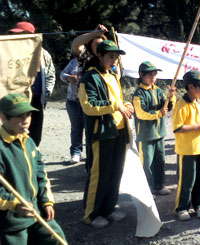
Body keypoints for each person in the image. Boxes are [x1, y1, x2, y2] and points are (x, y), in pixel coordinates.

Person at [78, 40, 134, 228]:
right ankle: (91, 214)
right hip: (101, 133)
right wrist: (115, 106)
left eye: (116, 57)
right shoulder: (88, 78)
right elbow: (89, 106)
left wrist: (124, 104)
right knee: (98, 175)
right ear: (99, 56)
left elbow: (117, 100)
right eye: (110, 56)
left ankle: (109, 208)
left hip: (118, 131)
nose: (114, 60)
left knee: (115, 172)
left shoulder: (113, 76)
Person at [0, 93, 65, 244]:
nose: (26, 121)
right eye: (19, 117)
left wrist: (46, 202)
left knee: (57, 239)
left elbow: (41, 173)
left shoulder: (28, 141)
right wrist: (15, 204)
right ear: (3, 117)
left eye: (28, 115)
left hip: (37, 212)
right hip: (13, 221)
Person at [172, 70, 200, 221]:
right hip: (187, 149)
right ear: (191, 87)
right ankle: (182, 207)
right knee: (187, 180)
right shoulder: (181, 104)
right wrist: (196, 126)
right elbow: (177, 128)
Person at [132, 61, 176, 196]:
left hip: (160, 134)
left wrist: (171, 96)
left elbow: (168, 106)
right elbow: (140, 113)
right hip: (146, 136)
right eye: (150, 74)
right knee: (146, 164)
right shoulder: (138, 94)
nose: (153, 77)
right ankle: (146, 189)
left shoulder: (158, 91)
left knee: (159, 161)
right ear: (141, 75)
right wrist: (158, 113)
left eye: (155, 74)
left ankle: (159, 185)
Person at [9, 21, 55, 146]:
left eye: (22, 34)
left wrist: (46, 93)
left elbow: (50, 74)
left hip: (36, 100)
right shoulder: (8, 52)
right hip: (15, 100)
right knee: (13, 134)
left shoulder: (43, 54)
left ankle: (32, 159)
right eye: (16, 34)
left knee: (35, 136)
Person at [60, 58, 84, 164]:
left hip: (87, 101)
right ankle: (76, 153)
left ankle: (92, 153)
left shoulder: (93, 61)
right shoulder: (73, 62)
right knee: (76, 128)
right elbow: (62, 74)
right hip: (72, 100)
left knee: (91, 128)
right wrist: (68, 77)